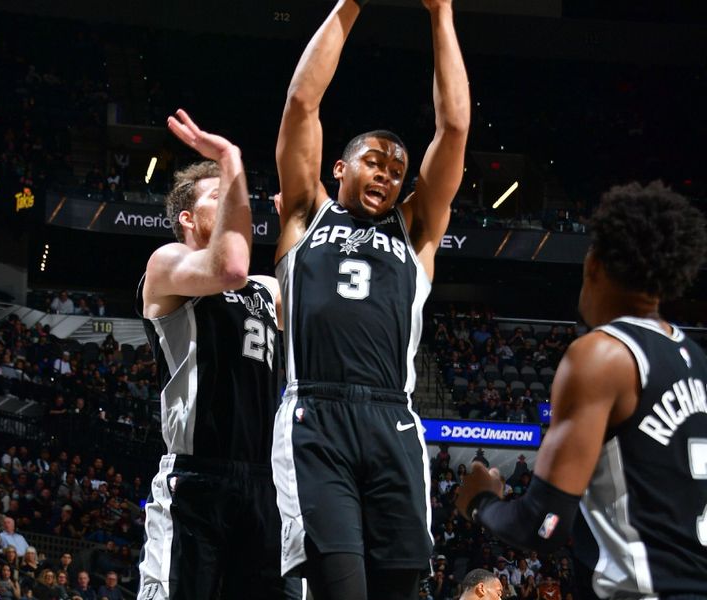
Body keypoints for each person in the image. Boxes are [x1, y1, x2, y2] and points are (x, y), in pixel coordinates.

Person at [271, 0, 469, 597]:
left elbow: (454, 128)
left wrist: (441, 13)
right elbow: (302, 102)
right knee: (341, 587)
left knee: (398, 589)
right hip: (317, 418)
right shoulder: (305, 214)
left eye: (396, 169)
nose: (386, 174)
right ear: (339, 167)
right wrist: (350, 4)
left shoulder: (414, 231)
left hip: (394, 418)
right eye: (374, 162)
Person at [456, 182, 707, 597]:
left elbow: (544, 526)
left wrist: (480, 502)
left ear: (593, 264)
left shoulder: (601, 356)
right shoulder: (697, 359)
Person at [135, 110, 298, 600]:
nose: (234, 202)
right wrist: (230, 159)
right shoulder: (168, 264)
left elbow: (313, 314)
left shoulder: (268, 289)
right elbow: (229, 267)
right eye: (219, 197)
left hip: (266, 480)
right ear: (187, 218)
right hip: (197, 478)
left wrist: (297, 225)